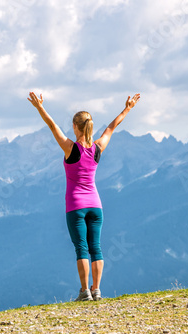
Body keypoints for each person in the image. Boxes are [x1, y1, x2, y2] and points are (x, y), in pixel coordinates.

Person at [27, 92, 141, 301]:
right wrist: (128, 108)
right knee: (96, 247)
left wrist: (40, 107)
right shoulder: (98, 147)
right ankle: (97, 290)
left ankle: (84, 292)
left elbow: (53, 126)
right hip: (96, 206)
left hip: (76, 206)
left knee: (81, 248)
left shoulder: (70, 148)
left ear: (76, 127)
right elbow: (111, 127)